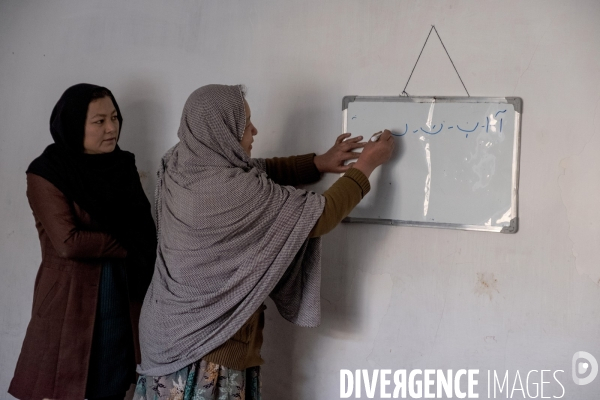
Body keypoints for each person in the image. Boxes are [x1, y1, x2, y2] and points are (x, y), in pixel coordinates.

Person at [134, 84, 394, 400]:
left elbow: (252, 168)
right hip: (208, 347)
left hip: (162, 330)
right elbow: (319, 214)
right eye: (245, 124)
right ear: (222, 131)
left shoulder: (177, 163)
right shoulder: (236, 191)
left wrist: (317, 163)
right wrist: (366, 165)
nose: (254, 130)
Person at [9, 84, 157, 400]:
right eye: (99, 121)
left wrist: (134, 242)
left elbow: (146, 228)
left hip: (123, 292)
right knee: (70, 385)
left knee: (114, 384)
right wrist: (129, 244)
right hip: (69, 297)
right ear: (75, 123)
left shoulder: (123, 165)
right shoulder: (47, 172)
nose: (111, 128)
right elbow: (69, 242)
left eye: (115, 118)